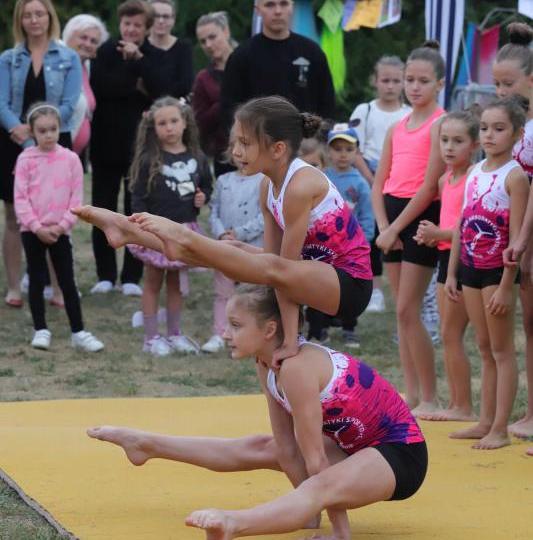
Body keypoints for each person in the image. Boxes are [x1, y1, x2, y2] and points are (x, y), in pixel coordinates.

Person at [87, 284, 427, 540]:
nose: (225, 334)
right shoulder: (267, 365)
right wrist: (310, 513)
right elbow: (285, 446)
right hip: (354, 446)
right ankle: (146, 444)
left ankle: (234, 524)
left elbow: (317, 462)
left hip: (399, 454)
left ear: (269, 330)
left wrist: (338, 530)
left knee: (317, 479)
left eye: (235, 326)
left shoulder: (296, 368)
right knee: (265, 446)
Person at [73, 95, 372, 368]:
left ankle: (181, 238)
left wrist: (291, 339)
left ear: (277, 149)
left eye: (245, 143)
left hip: (349, 285)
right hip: (311, 273)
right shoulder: (267, 186)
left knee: (264, 264)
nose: (236, 152)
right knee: (237, 249)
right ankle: (132, 232)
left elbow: (282, 273)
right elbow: (270, 263)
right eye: (236, 141)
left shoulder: (300, 186)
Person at [445, 98, 529, 449]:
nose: (490, 135)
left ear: (518, 134)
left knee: (501, 350)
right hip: (470, 268)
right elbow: (462, 223)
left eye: (499, 128)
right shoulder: (476, 170)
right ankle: (484, 421)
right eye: (484, 128)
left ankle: (500, 429)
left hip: (497, 272)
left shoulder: (516, 177)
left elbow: (516, 238)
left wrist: (508, 286)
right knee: (483, 346)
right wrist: (452, 272)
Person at [372, 41, 446, 414]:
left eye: (423, 81)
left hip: (420, 219)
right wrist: (384, 226)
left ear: (440, 84)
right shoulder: (396, 127)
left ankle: (430, 396)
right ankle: (412, 393)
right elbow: (378, 182)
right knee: (402, 315)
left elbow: (430, 186)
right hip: (392, 219)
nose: (414, 87)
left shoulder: (440, 124)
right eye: (409, 80)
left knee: (407, 310)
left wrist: (395, 228)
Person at [0, 0, 82, 308]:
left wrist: (42, 130)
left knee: (56, 215)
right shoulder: (8, 59)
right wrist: (20, 132)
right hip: (14, 142)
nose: (34, 20)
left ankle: (58, 288)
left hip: (55, 142)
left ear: (50, 17)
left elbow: (69, 103)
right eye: (27, 15)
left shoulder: (68, 58)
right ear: (20, 20)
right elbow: (2, 103)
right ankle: (14, 287)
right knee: (13, 216)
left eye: (40, 13)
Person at [13, 103, 103, 352]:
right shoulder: (25, 159)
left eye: (53, 129)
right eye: (42, 131)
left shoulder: (71, 159)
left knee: (67, 281)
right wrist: (36, 227)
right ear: (32, 131)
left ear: (60, 128)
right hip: (32, 231)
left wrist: (62, 226)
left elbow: (76, 198)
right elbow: (20, 198)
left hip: (60, 231)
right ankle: (40, 329)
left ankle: (78, 332)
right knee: (36, 278)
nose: (49, 135)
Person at [128, 97, 212, 356]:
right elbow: (138, 196)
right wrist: (141, 226)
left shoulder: (197, 157)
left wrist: (203, 197)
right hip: (156, 232)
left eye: (174, 121)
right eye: (162, 123)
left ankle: (174, 334)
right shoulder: (148, 160)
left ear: (185, 122)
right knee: (153, 281)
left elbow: (206, 186)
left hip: (184, 230)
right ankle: (151, 338)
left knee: (176, 284)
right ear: (153, 128)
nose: (169, 127)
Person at [89, 0, 159, 296]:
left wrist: (139, 62)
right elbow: (102, 86)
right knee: (101, 211)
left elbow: (159, 89)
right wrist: (135, 85)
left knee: (136, 213)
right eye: (127, 24)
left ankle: (131, 276)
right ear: (120, 23)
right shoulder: (105, 51)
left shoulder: (150, 55)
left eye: (137, 25)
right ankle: (105, 275)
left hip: (139, 149)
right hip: (105, 144)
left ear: (146, 28)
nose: (131, 30)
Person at [413, 111, 479, 422]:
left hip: (467, 259)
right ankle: (455, 403)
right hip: (445, 259)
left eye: (458, 141)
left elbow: (472, 228)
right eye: (444, 140)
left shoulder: (474, 177)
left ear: (474, 145)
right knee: (448, 334)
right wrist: (431, 236)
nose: (449, 147)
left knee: (454, 334)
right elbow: (449, 224)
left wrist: (438, 234)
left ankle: (463, 406)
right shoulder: (444, 180)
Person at [221, 0, 335, 131]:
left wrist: (317, 138)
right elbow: (229, 110)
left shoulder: (312, 53)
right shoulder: (242, 56)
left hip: (305, 143)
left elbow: (327, 107)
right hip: (259, 141)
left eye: (283, 4)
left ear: (292, 7)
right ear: (258, 10)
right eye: (270, 5)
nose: (278, 11)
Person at [493, 23, 533, 443]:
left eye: (509, 84)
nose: (501, 92)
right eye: (497, 84)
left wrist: (521, 239)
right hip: (518, 235)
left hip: (525, 235)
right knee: (530, 325)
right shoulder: (513, 127)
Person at [350, 56, 411, 312]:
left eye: (396, 81)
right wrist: (373, 180)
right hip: (369, 179)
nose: (390, 86)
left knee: (399, 235)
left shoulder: (409, 113)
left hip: (401, 180)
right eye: (385, 80)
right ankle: (374, 290)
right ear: (375, 81)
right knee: (371, 234)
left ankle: (406, 288)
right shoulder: (365, 111)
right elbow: (353, 149)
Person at [201, 153, 264, 354]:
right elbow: (214, 210)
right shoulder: (223, 180)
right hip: (224, 247)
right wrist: (221, 234)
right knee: (223, 293)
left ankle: (251, 335)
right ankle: (219, 334)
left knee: (252, 295)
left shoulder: (265, 181)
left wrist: (239, 233)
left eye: (249, 149)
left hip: (252, 248)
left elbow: (265, 216)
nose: (242, 154)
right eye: (237, 147)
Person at [319, 123, 374, 348]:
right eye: (337, 148)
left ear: (357, 152)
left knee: (349, 289)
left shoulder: (360, 183)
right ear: (328, 151)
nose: (343, 154)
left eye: (349, 149)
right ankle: (321, 325)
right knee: (322, 286)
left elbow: (367, 216)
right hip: (324, 246)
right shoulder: (321, 179)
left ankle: (349, 328)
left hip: (351, 249)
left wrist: (365, 240)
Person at [192, 11, 237, 177]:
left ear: (226, 31)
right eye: (203, 41)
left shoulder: (250, 64)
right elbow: (201, 122)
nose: (208, 45)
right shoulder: (204, 79)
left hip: (259, 151)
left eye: (212, 37)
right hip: (225, 155)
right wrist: (224, 102)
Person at [62, 13, 108, 165]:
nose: (88, 44)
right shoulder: (59, 64)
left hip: (74, 156)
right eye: (83, 37)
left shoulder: (85, 66)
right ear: (68, 36)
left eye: (94, 41)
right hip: (56, 150)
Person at [143, 0, 194, 101]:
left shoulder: (183, 48)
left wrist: (153, 90)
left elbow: (186, 86)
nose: (161, 21)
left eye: (166, 17)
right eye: (156, 16)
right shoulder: (140, 47)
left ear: (173, 19)